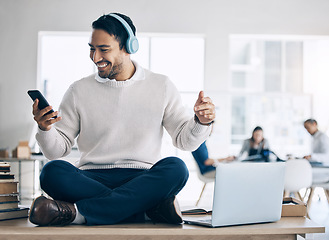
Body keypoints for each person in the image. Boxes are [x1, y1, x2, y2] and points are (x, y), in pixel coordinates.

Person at [28, 13, 215, 226]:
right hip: (91, 177)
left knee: (177, 168)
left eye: (104, 49)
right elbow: (56, 151)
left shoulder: (161, 86)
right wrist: (45, 129)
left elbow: (185, 142)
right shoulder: (78, 90)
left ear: (128, 46)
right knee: (51, 172)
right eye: (92, 48)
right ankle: (146, 210)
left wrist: (201, 122)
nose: (95, 57)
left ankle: (76, 213)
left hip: (142, 178)